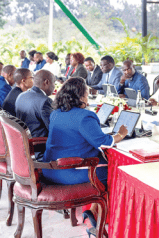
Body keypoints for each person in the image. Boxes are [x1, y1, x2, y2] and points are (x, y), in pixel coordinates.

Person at [42, 77, 128, 236]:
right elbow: (103, 142)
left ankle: (92, 212)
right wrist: (121, 135)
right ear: (80, 97)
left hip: (50, 170)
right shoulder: (85, 116)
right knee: (114, 173)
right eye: (87, 94)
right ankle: (99, 217)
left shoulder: (56, 114)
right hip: (70, 172)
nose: (88, 98)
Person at [15, 69, 55, 159]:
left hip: (24, 146)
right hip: (40, 149)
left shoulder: (21, 95)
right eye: (54, 83)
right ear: (46, 82)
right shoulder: (45, 101)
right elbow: (53, 128)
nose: (54, 87)